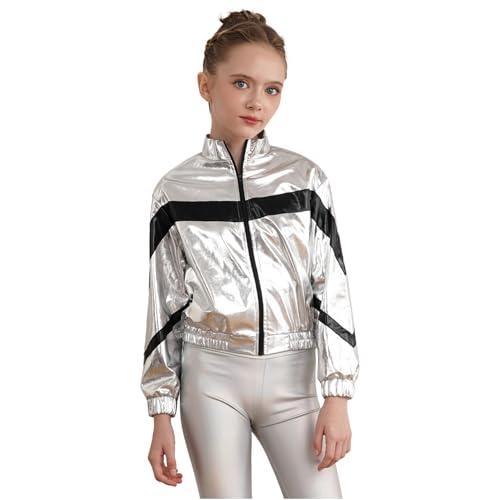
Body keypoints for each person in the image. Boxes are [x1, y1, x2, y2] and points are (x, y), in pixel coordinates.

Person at [140, 9, 360, 499]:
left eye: (272, 89)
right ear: (205, 84)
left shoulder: (305, 180)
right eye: (241, 83)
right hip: (211, 382)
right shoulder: (175, 191)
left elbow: (331, 287)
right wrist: (160, 412)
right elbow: (164, 304)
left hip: (294, 381)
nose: (257, 101)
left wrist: (338, 393)